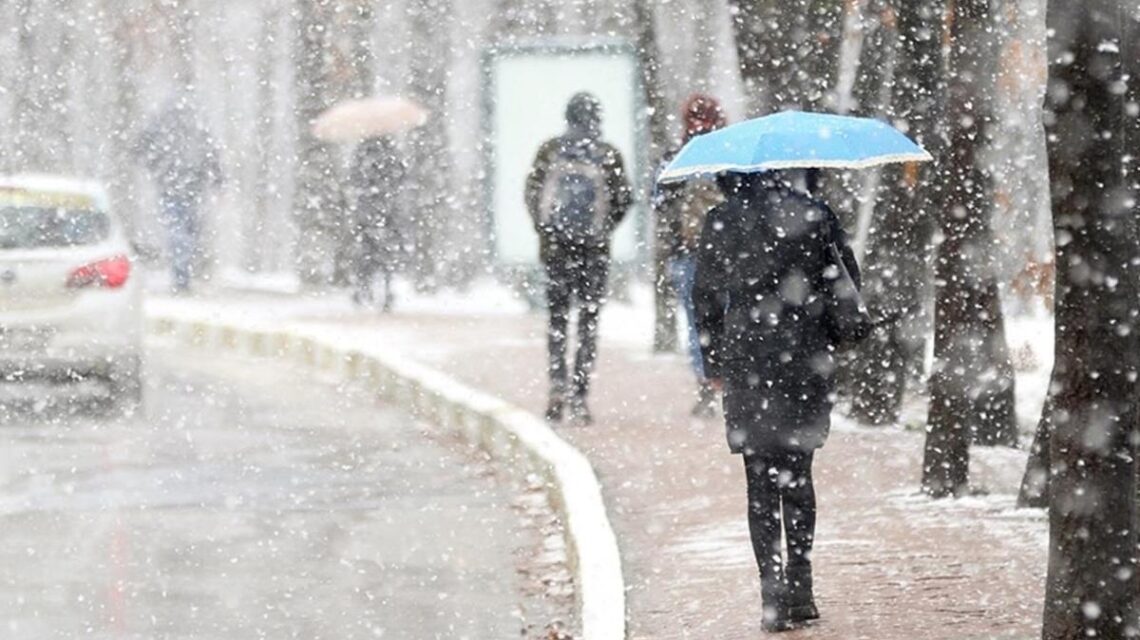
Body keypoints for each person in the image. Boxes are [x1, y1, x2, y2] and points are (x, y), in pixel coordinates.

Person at [693, 171, 861, 632]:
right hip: (805, 356)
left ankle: (771, 592)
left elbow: (704, 295)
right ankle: (802, 588)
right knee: (799, 473)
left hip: (747, 357)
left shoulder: (721, 220)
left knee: (759, 479)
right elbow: (846, 280)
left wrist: (713, 364)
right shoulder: (814, 213)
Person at [525, 92, 632, 425]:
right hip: (593, 253)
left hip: (556, 251)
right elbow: (624, 199)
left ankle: (557, 386)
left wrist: (547, 231)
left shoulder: (550, 150)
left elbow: (531, 193)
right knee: (588, 322)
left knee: (557, 320)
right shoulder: (607, 154)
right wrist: (601, 230)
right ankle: (580, 395)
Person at [654, 94, 728, 417]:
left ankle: (705, 384)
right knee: (729, 318)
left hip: (687, 253)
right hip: (727, 255)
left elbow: (657, 199)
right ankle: (731, 381)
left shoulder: (675, 157)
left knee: (697, 323)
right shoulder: (729, 156)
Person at [134, 96, 222, 294]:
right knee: (188, 231)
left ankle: (181, 274)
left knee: (178, 230)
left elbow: (140, 147)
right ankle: (183, 273)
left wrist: (154, 167)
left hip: (171, 185)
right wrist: (217, 179)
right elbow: (211, 152)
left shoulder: (162, 123)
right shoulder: (196, 124)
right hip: (191, 186)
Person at [347, 135, 405, 311]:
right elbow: (401, 176)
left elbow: (354, 178)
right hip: (384, 211)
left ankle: (365, 290)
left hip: (370, 212)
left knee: (366, 254)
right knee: (383, 255)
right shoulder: (390, 152)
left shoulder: (363, 151)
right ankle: (382, 292)